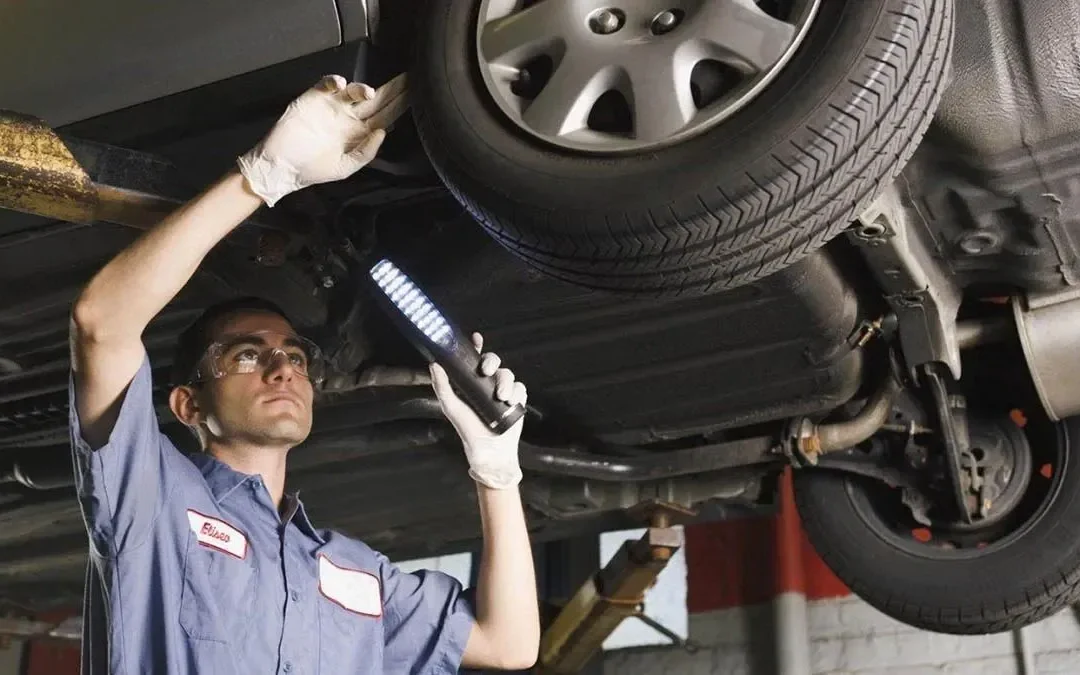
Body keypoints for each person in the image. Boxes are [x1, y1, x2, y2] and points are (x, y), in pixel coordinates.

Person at [68, 73, 541, 674]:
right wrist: (263, 176)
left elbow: (510, 644)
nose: (280, 367)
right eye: (245, 354)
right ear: (189, 405)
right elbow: (100, 322)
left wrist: (497, 472)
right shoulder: (154, 499)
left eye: (295, 356)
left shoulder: (351, 573)